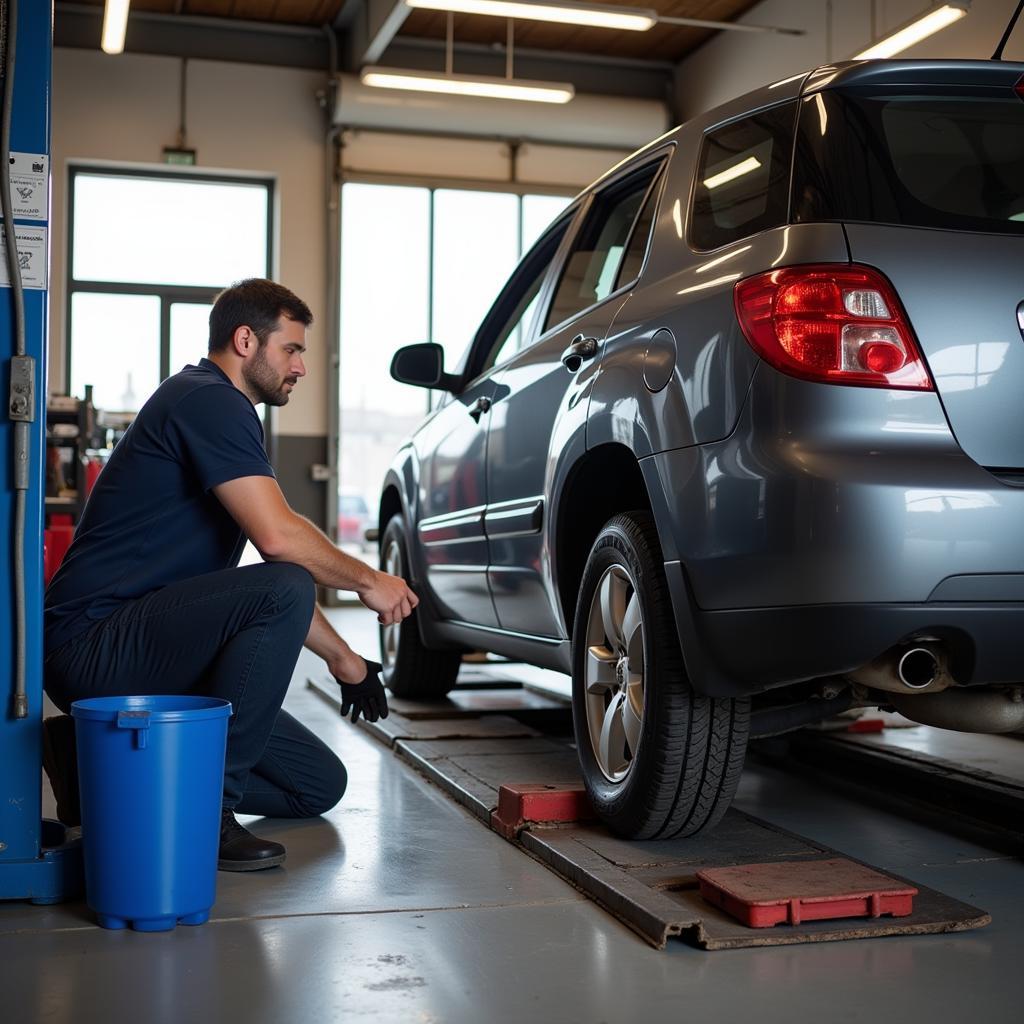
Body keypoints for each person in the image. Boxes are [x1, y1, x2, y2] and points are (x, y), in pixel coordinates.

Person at [43, 278, 417, 871]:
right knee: (287, 586)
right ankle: (206, 815)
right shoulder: (208, 400)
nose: (301, 367)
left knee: (316, 784)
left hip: (153, 644)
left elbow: (275, 554)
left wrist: (345, 660)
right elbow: (280, 540)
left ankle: (91, 769)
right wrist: (370, 580)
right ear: (246, 340)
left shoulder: (221, 409)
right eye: (291, 349)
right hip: (95, 643)